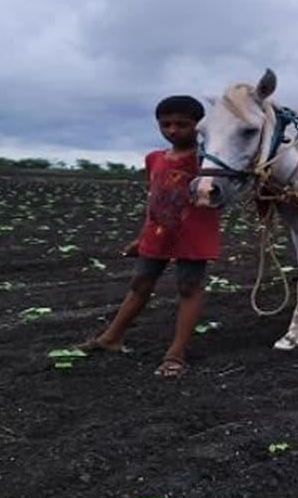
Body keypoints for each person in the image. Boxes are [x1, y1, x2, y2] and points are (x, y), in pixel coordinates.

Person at [77, 95, 221, 378]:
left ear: (199, 126)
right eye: (165, 124)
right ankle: (111, 338)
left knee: (188, 288)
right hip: (157, 234)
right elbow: (155, 202)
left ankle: (176, 354)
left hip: (193, 234)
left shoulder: (207, 162)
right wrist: (140, 238)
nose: (172, 130)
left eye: (182, 124)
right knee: (140, 285)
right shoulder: (154, 158)